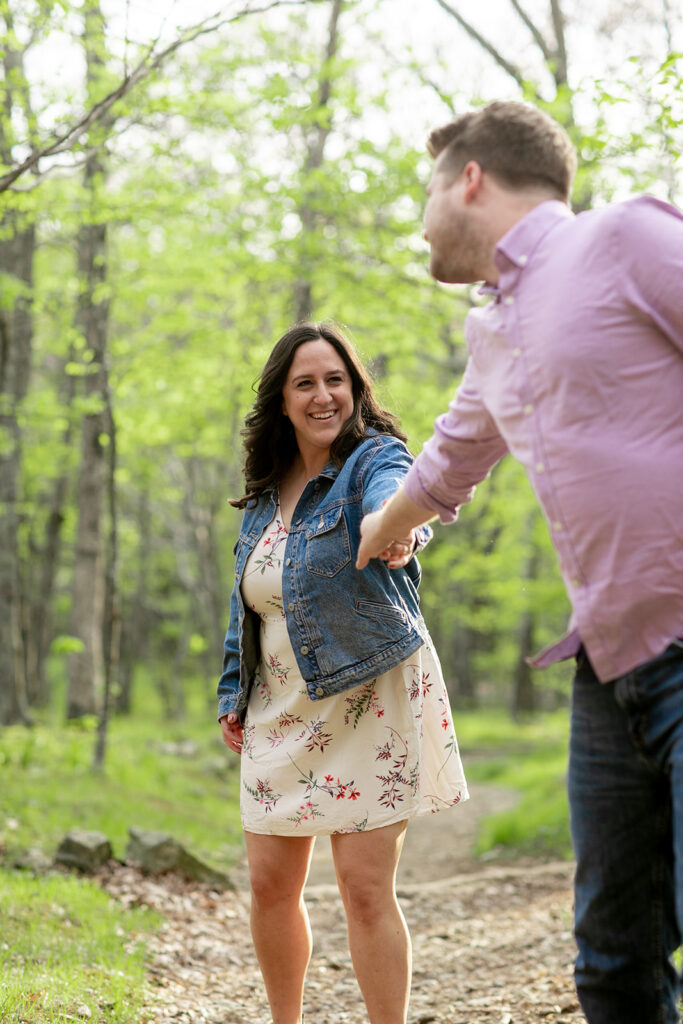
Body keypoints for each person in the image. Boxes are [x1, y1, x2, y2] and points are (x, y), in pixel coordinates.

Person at [356, 100, 683, 1024]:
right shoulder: (493, 329)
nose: (420, 219)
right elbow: (447, 464)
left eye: (426, 191)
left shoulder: (622, 238)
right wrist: (368, 538)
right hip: (609, 672)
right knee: (612, 965)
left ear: (469, 178)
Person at [217, 320, 468, 1024]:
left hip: (369, 692)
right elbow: (250, 601)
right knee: (269, 885)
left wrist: (397, 530)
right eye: (306, 383)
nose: (323, 395)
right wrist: (232, 690)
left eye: (336, 380)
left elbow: (400, 500)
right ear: (282, 399)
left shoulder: (374, 459)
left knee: (362, 888)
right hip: (279, 706)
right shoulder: (265, 490)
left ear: (355, 391)